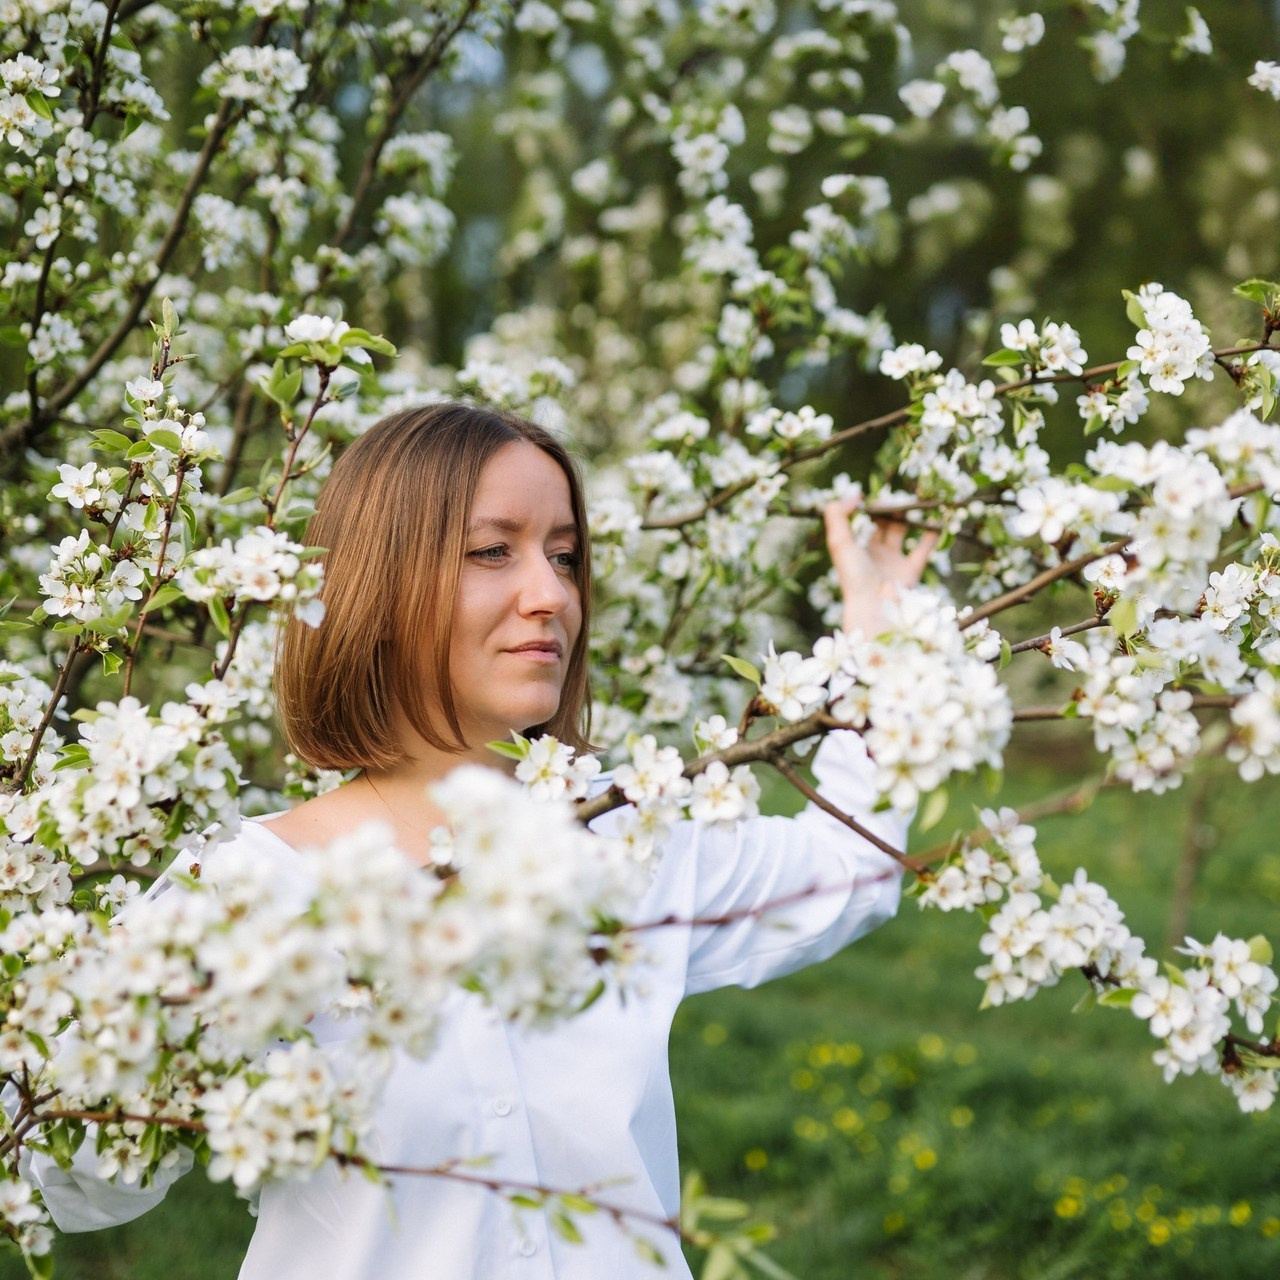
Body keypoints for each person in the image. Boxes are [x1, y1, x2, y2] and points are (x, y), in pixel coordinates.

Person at [28, 402, 935, 1278]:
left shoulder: (622, 836)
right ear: (380, 580)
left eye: (566, 556)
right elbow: (77, 1191)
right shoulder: (244, 889)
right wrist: (165, 1045)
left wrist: (880, 637)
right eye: (490, 552)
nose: (549, 595)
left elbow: (849, 873)